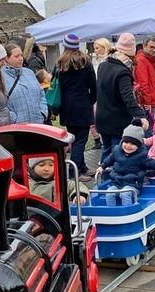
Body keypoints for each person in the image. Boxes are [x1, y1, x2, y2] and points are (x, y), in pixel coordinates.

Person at [96, 33, 149, 164]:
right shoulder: (122, 72)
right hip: (116, 121)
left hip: (101, 117)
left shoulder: (103, 65)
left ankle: (103, 180)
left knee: (106, 151)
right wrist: (141, 116)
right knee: (117, 155)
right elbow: (128, 98)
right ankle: (115, 182)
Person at [97, 121, 155, 207]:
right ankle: (111, 212)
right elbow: (109, 159)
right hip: (117, 182)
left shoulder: (141, 155)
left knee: (125, 193)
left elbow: (152, 162)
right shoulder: (117, 150)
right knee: (109, 193)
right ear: (122, 141)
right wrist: (102, 166)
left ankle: (127, 211)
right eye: (126, 142)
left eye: (133, 144)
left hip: (133, 184)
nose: (128, 146)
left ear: (139, 145)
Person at [56, 33, 97, 182]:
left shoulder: (60, 64)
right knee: (80, 141)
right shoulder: (85, 62)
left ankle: (83, 167)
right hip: (82, 105)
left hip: (67, 107)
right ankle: (74, 174)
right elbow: (93, 86)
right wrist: (90, 101)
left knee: (74, 138)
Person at [3, 44, 47, 124]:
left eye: (21, 55)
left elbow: (41, 93)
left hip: (38, 124)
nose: (21, 59)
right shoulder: (0, 77)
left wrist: (43, 113)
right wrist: (14, 119)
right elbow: (0, 104)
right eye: (16, 56)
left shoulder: (29, 72)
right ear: (6, 59)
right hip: (17, 128)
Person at [134, 37, 155, 120]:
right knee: (151, 129)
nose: (154, 50)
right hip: (151, 103)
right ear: (144, 46)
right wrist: (148, 102)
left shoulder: (148, 60)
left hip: (154, 102)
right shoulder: (141, 60)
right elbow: (143, 83)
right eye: (151, 47)